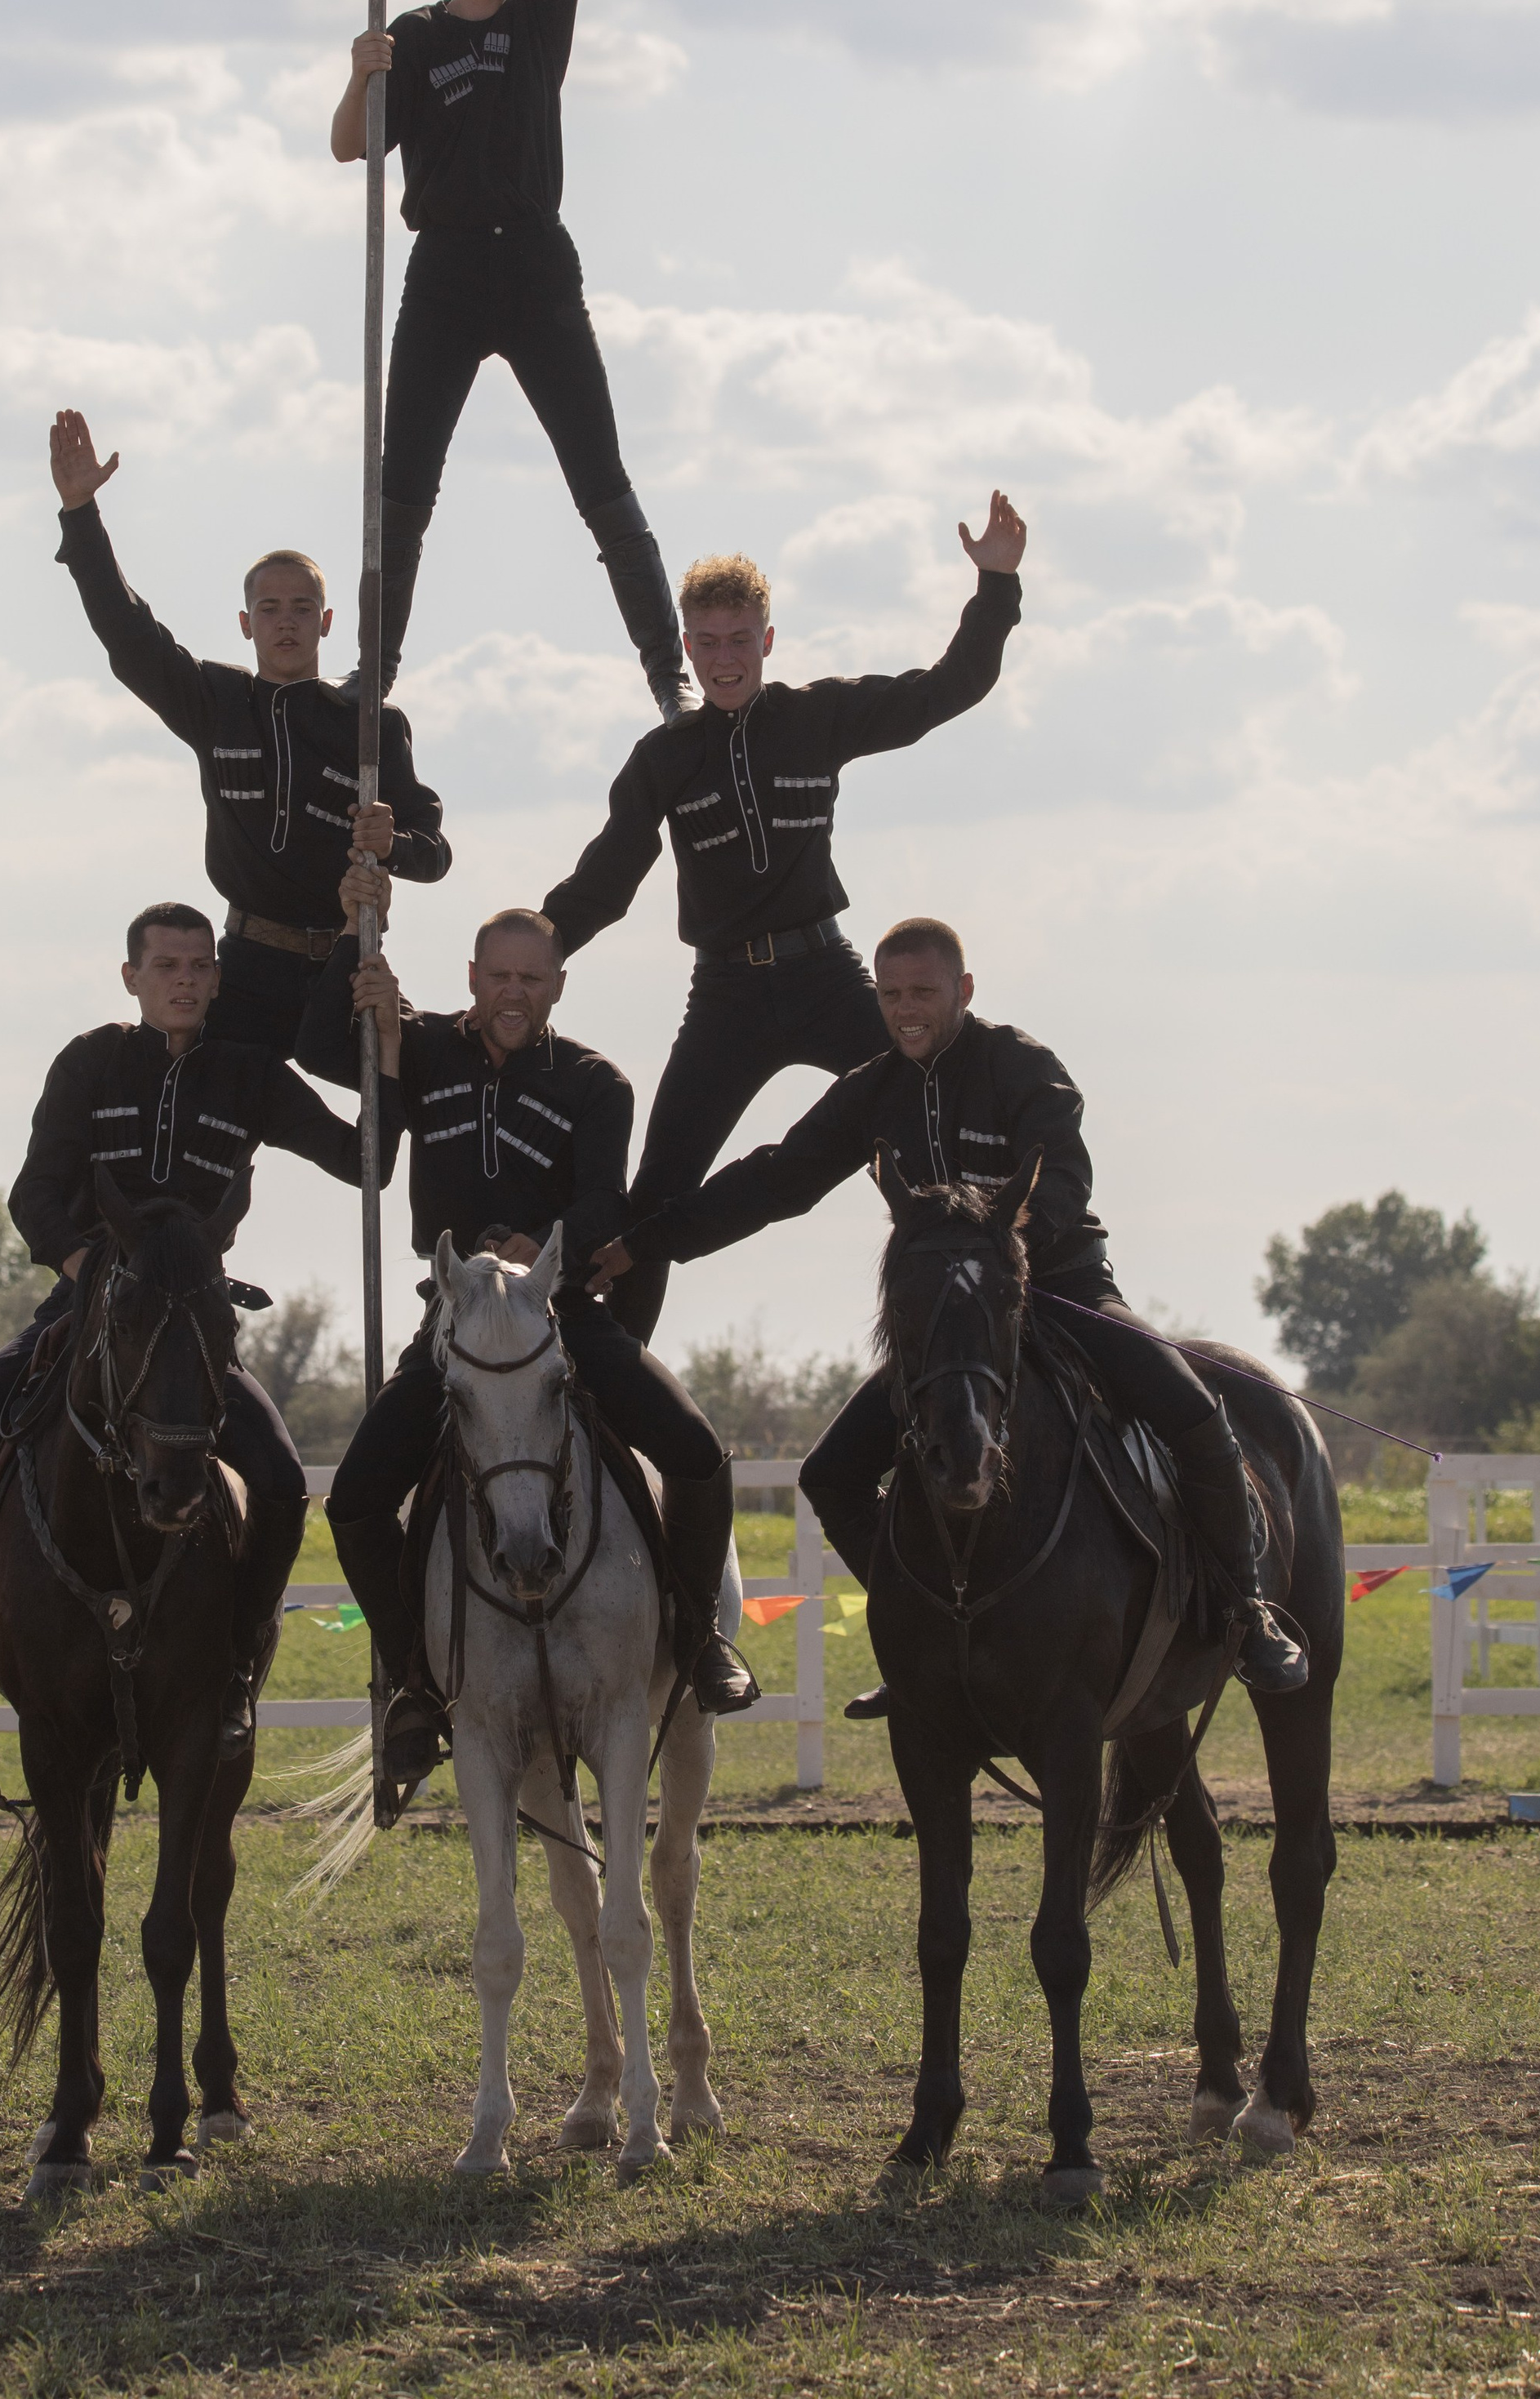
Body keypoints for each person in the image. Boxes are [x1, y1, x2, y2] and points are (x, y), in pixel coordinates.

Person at [587, 916, 1309, 1698]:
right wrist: (642, 1244)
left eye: (923, 992)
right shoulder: (872, 1091)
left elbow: (1065, 1173)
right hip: (947, 1331)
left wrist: (1001, 1243)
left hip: (1061, 1291)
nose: (906, 1010)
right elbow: (772, 1181)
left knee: (1196, 1411)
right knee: (830, 1474)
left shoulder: (1024, 1067)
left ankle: (1249, 1611)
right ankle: (918, 1626)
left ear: (963, 990)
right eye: (891, 994)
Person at [0, 901, 403, 1751]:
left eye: (199, 967)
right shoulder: (92, 1062)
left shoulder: (252, 1074)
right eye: (167, 967)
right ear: (133, 978)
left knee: (276, 1484)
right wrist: (88, 1274)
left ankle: (235, 1667)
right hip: (83, 1315)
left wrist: (385, 1047)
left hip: (192, 1334)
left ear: (218, 979)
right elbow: (33, 1196)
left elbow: (364, 1164)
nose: (185, 981)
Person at [297, 866, 758, 1800]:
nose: (515, 994)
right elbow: (313, 1044)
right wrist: (356, 955)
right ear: (472, 978)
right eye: (499, 976)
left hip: (560, 1319)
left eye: (532, 979)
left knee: (700, 1454)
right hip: (455, 1330)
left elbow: (598, 1203)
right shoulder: (415, 1048)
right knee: (353, 1502)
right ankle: (417, 1691)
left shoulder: (595, 1083)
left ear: (556, 987)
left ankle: (700, 1642)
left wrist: (545, 1245)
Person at [541, 501, 1026, 1345]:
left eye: (740, 639)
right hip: (725, 996)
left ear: (766, 640)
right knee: (655, 1198)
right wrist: (527, 956)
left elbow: (948, 689)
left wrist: (995, 583)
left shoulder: (816, 718)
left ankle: (1016, 1322)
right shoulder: (664, 758)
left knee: (931, 1118)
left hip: (827, 979)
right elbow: (604, 882)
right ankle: (605, 1383)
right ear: (686, 648)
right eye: (708, 641)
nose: (724, 658)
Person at [329, 0, 692, 723]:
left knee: (599, 473)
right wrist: (362, 74)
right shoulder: (415, 34)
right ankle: (376, 669)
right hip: (444, 273)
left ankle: (663, 672)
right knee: (404, 485)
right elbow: (349, 146)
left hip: (533, 264)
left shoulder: (538, 18)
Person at [46, 407, 452, 1055]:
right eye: (269, 609)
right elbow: (128, 634)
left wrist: (394, 844)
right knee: (211, 1113)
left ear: (325, 623)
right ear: (245, 623)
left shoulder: (371, 726)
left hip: (344, 962)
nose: (285, 622)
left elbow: (435, 853)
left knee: (425, 1076)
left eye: (301, 608)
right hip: (248, 966)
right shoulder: (216, 700)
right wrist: (80, 514)